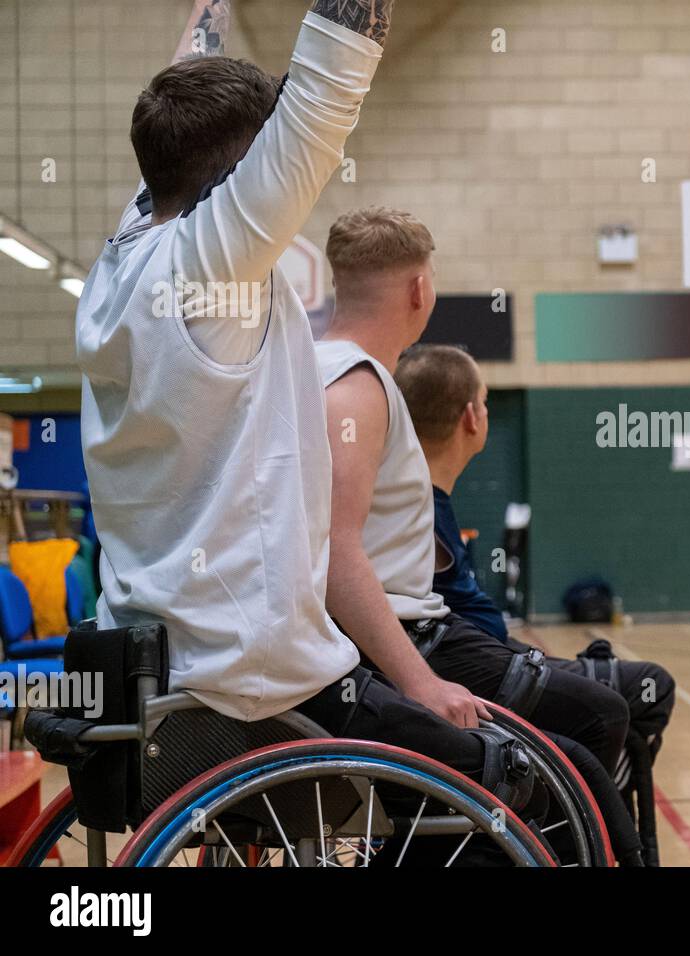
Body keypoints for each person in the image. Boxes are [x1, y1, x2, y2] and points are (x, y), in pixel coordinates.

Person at [76, 1, 534, 824]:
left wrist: (208, 11)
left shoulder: (124, 256)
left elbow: (183, 99)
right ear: (240, 174)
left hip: (152, 661)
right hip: (256, 684)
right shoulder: (210, 262)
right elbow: (327, 86)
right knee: (505, 771)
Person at [315, 208, 673, 864]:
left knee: (582, 746)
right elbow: (338, 550)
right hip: (402, 641)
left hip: (392, 638)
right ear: (420, 289)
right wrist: (419, 680)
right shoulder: (356, 385)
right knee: (595, 721)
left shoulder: (322, 369)